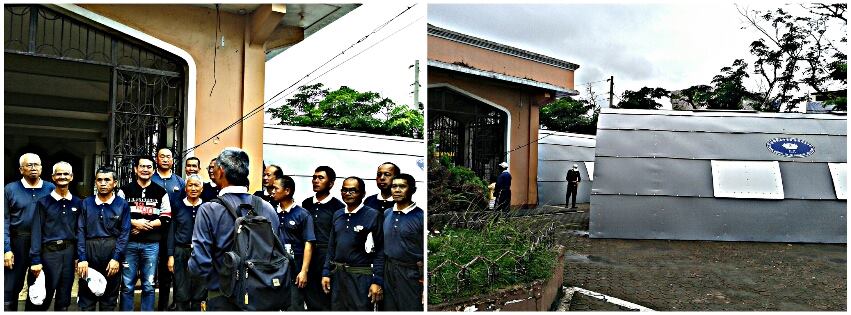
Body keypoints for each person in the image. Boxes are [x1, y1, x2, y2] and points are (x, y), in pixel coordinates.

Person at [188, 147, 280, 311]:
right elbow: (277, 252)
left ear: (221, 171)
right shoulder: (267, 208)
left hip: (221, 294)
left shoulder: (209, 209)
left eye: (214, 167)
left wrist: (216, 283)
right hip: (262, 294)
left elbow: (199, 263)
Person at [321, 176, 384, 311]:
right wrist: (326, 272)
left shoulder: (373, 215)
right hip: (338, 277)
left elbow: (380, 251)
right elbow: (331, 246)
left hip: (361, 277)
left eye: (353, 191)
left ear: (363, 193)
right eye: (344, 190)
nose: (348, 194)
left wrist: (377, 281)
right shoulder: (338, 214)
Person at [117, 156, 172, 311]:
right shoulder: (124, 190)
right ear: (135, 169)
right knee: (127, 285)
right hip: (129, 244)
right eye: (142, 166)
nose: (145, 169)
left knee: (149, 285)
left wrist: (144, 225)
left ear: (153, 170)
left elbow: (166, 217)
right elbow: (119, 215)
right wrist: (135, 223)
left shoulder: (161, 192)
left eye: (149, 167)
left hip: (151, 245)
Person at [4, 153, 55, 311]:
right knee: (10, 289)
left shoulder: (50, 188)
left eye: (37, 165)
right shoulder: (10, 189)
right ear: (21, 169)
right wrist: (6, 249)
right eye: (29, 165)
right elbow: (3, 220)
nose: (34, 168)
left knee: (38, 288)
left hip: (42, 244)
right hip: (18, 241)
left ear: (41, 167)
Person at [76, 166, 131, 311]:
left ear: (115, 183)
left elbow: (124, 233)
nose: (103, 183)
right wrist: (81, 258)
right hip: (89, 251)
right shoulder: (86, 203)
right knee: (87, 299)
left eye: (107, 180)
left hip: (111, 252)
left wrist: (116, 258)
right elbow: (80, 231)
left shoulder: (122, 204)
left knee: (109, 300)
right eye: (99, 180)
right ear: (95, 182)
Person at [28, 162, 80, 311]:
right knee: (43, 297)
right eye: (58, 174)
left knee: (64, 298)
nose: (62, 177)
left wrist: (79, 257)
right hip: (49, 254)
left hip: (69, 254)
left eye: (66, 174)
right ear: (53, 177)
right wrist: (36, 259)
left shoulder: (78, 203)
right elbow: (36, 232)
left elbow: (79, 231)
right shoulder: (43, 203)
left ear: (71, 177)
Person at [300, 166, 344, 311]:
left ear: (331, 183)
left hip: (326, 258)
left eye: (321, 178)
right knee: (308, 295)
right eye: (314, 177)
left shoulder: (338, 207)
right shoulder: (306, 204)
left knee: (326, 297)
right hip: (307, 256)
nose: (316, 181)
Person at [271, 175, 315, 311]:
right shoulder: (271, 212)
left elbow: (309, 243)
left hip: (294, 272)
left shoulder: (302, 214)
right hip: (273, 270)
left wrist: (304, 271)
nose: (272, 191)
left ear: (287, 191)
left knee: (293, 306)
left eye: (275, 188)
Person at [382, 173, 424, 311]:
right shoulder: (387, 213)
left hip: (409, 272)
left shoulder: (420, 216)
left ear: (412, 190)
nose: (397, 190)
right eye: (394, 186)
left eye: (402, 186)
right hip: (388, 270)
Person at [166, 174, 206, 311]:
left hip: (201, 252)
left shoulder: (207, 207)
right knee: (181, 290)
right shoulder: (177, 205)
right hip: (180, 251)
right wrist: (170, 256)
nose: (193, 188)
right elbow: (171, 231)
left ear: (202, 188)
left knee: (199, 291)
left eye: (196, 185)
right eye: (190, 185)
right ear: (185, 188)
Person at [151, 148, 182, 311]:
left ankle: (176, 303)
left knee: (173, 270)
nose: (165, 159)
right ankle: (161, 307)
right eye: (161, 156)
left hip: (174, 232)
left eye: (168, 157)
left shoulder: (179, 181)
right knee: (158, 273)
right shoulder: (150, 178)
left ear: (172, 160)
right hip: (152, 230)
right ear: (156, 159)